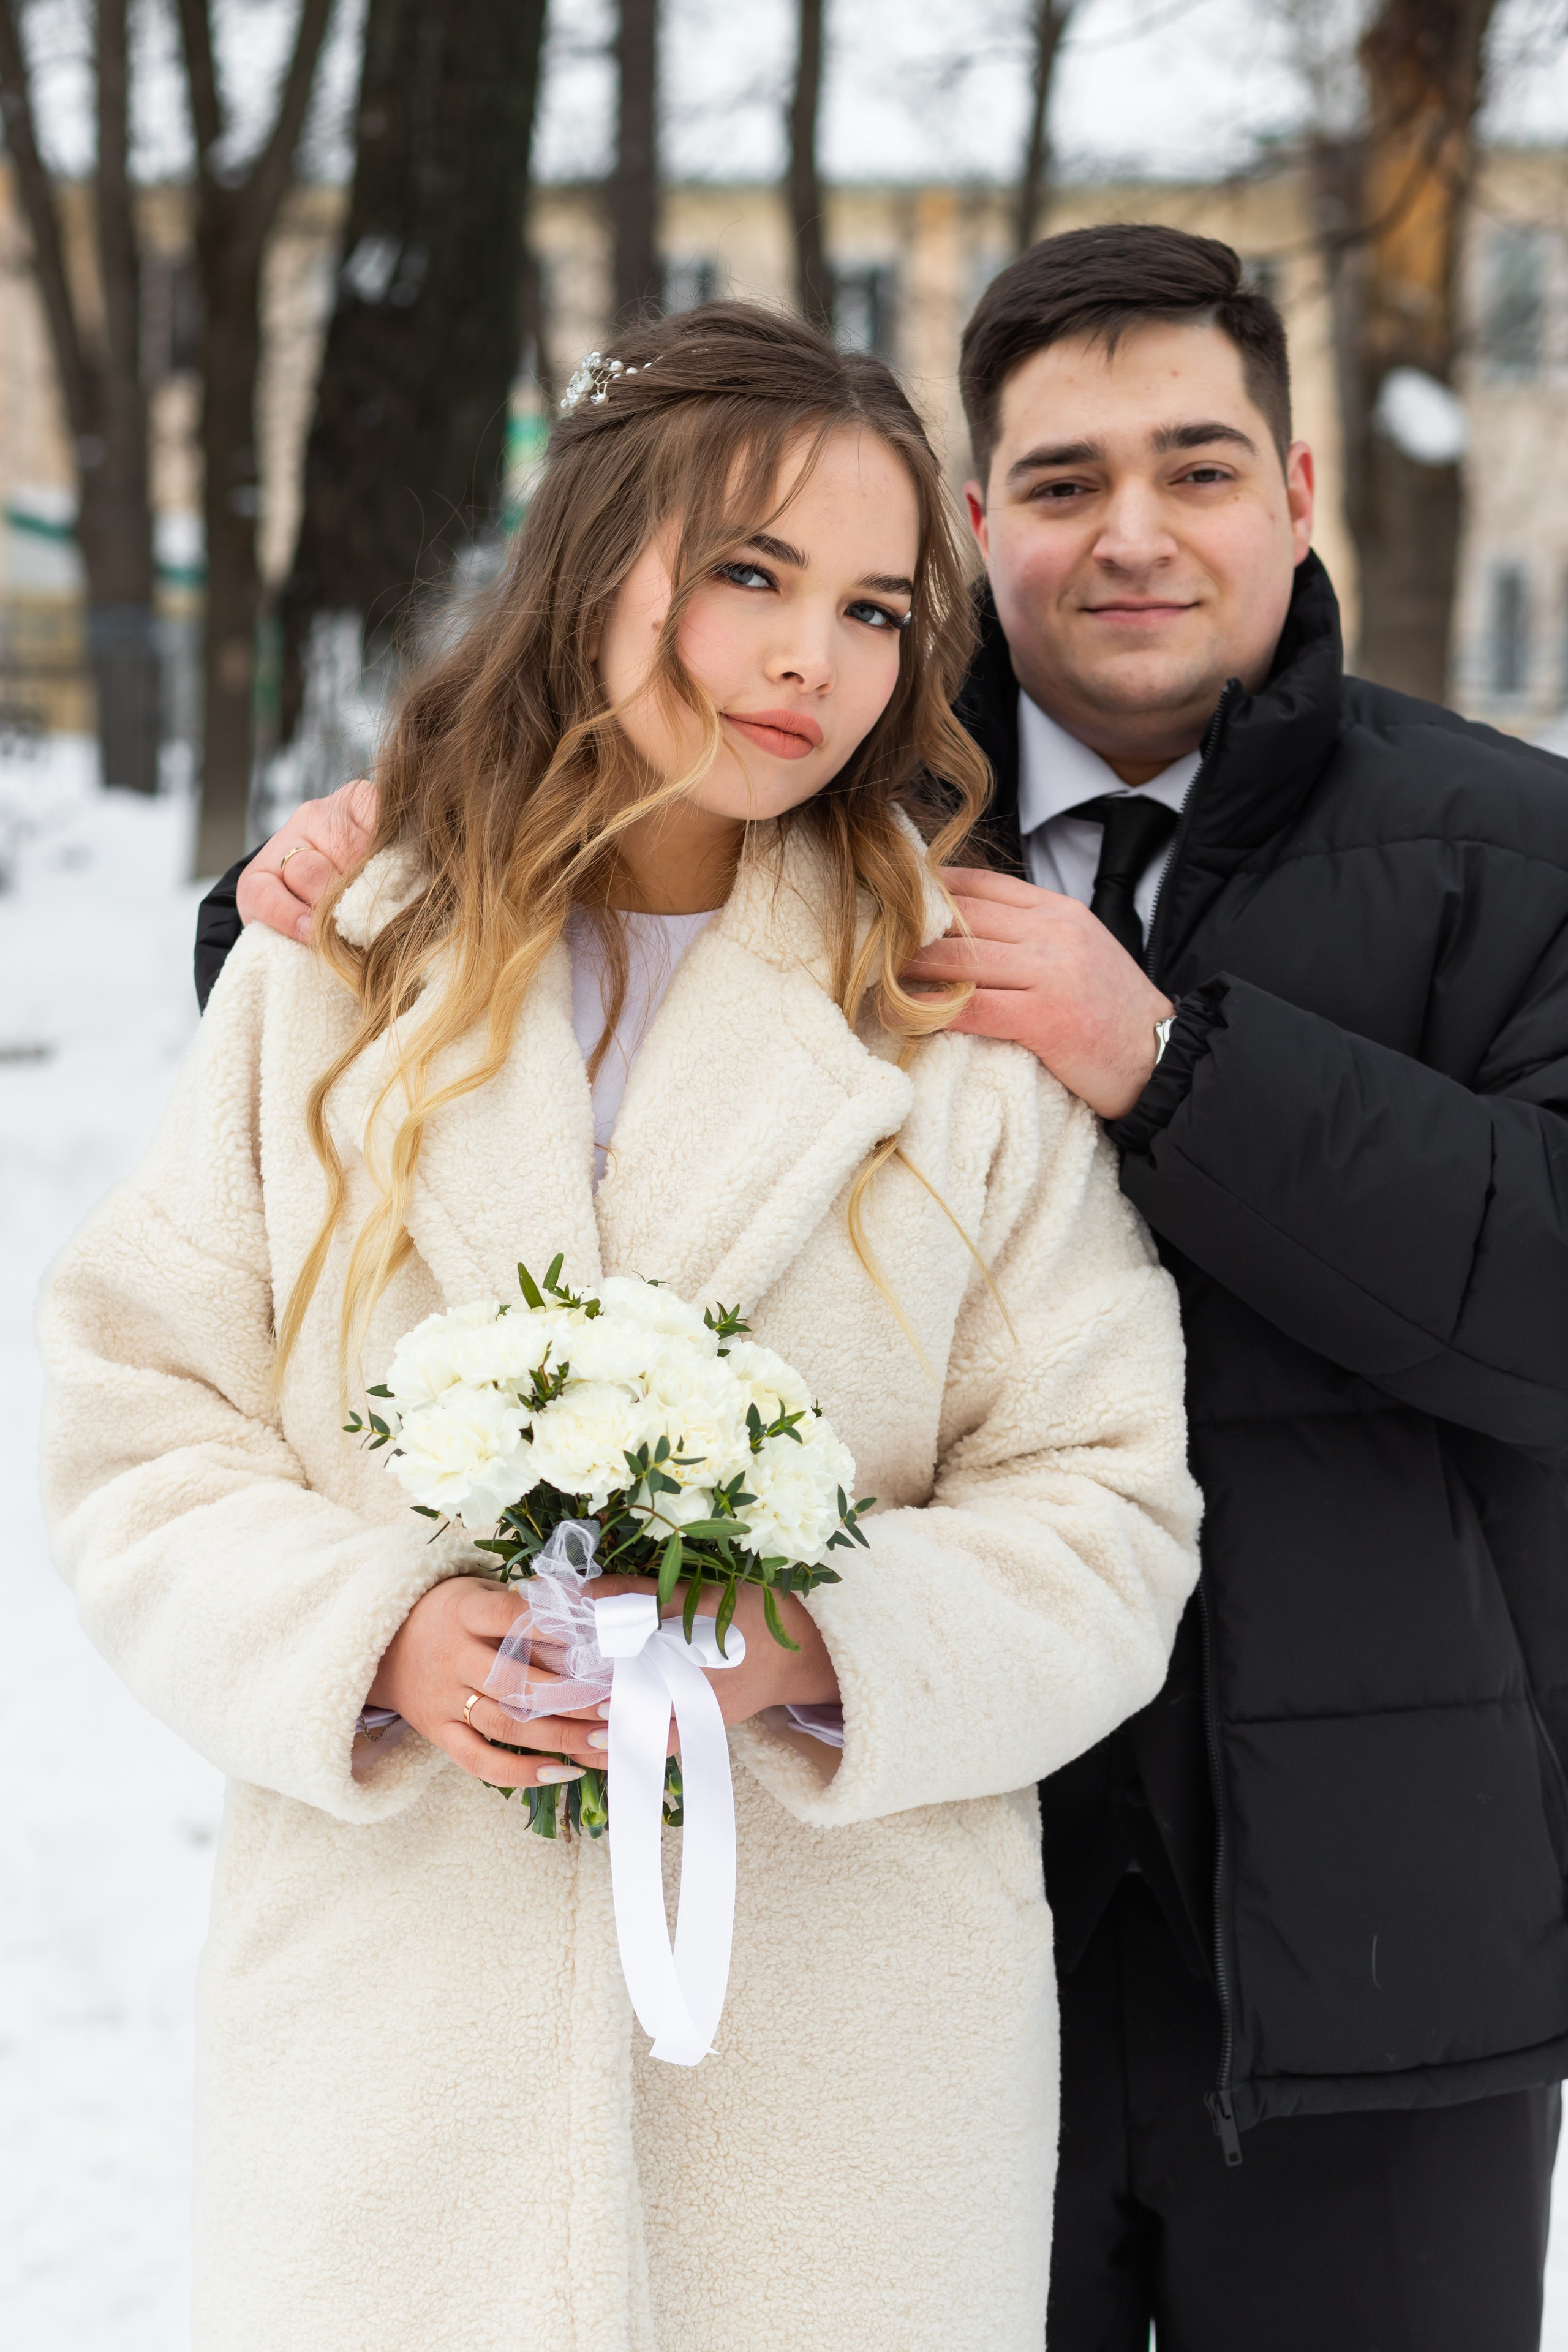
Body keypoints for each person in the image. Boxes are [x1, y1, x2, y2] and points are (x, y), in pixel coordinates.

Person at [221, 232, 1568, 2351]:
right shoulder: (858, 826)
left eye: (1199, 469)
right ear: (974, 526)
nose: (1133, 535)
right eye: (1058, 483)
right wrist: (342, 872)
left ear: (1299, 493)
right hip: (906, 1917)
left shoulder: (1513, 849)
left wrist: (1178, 1063)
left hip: (1358, 1928)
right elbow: (280, 1243)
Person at [40, 303, 1200, 2352]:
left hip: (840, 2092)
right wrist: (374, 1636)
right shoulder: (336, 972)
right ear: (594, 560)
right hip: (397, 2060)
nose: (807, 663)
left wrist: (822, 1640)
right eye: (747, 573)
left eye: (868, 609)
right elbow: (142, 1419)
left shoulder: (952, 1021)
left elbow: (1108, 1510)